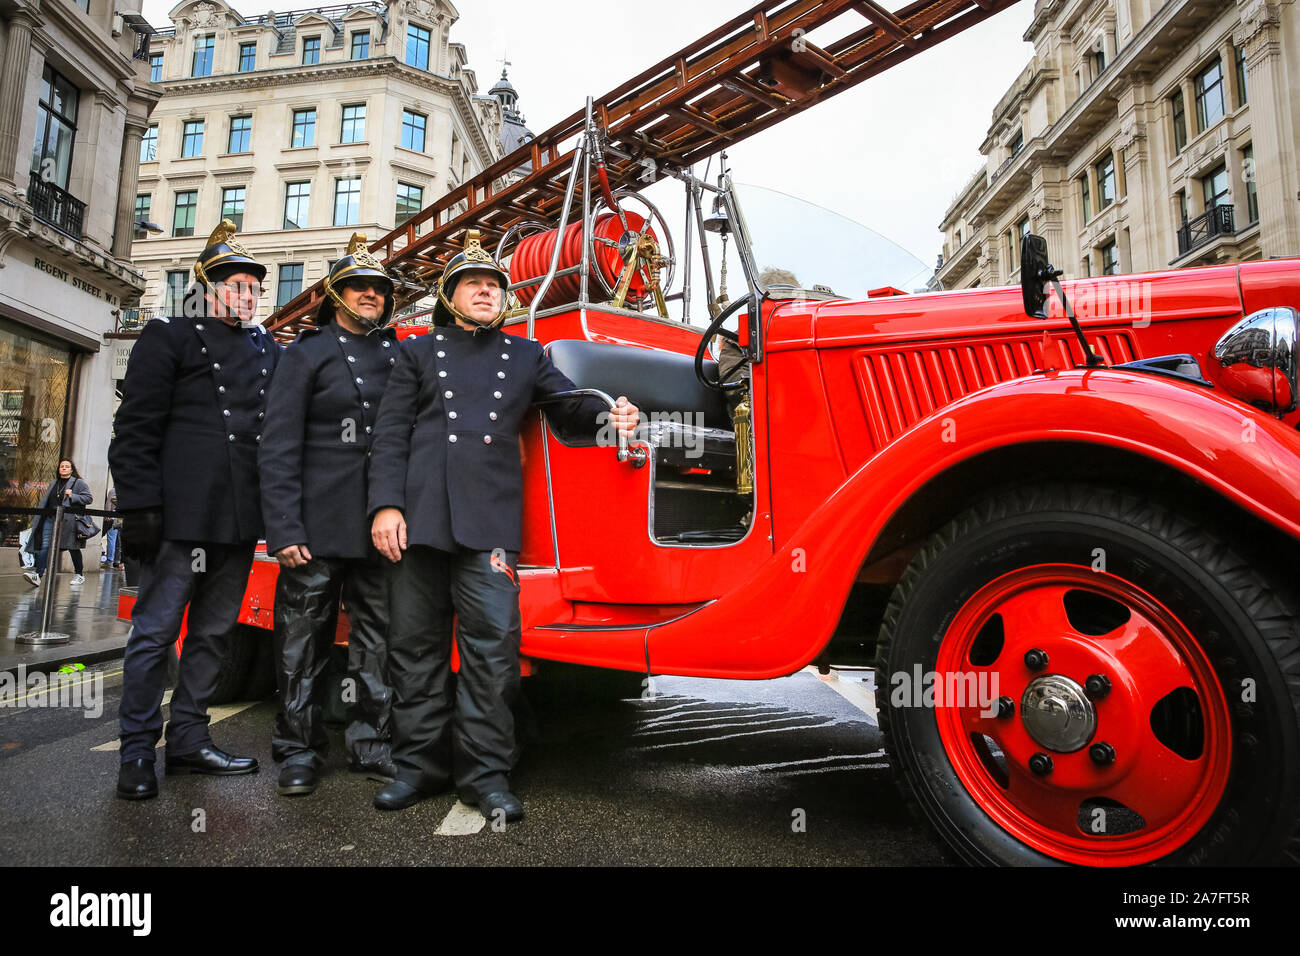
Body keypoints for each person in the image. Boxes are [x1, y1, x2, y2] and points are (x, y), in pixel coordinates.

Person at [367, 231, 640, 822]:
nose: (488, 292)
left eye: (495, 285)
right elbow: (388, 434)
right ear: (450, 296)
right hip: (419, 518)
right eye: (475, 285)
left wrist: (610, 412)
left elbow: (570, 403)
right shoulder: (416, 352)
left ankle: (486, 775)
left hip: (488, 525)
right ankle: (417, 767)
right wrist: (386, 506)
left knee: (492, 651)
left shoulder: (524, 355)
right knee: (414, 650)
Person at [108, 220, 281, 801]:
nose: (249, 294)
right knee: (155, 635)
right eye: (237, 284)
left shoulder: (267, 348)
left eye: (255, 286)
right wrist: (140, 507)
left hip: (236, 520)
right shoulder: (168, 336)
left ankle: (188, 741)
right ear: (207, 288)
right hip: (179, 518)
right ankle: (136, 752)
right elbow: (134, 429)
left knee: (211, 635)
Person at [260, 234, 400, 797]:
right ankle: (298, 749)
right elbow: (277, 444)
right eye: (360, 287)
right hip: (315, 526)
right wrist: (284, 527)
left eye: (380, 289)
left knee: (377, 641)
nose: (371, 295)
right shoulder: (305, 352)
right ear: (335, 296)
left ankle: (372, 744)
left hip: (380, 525)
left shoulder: (397, 354)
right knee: (301, 643)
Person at [23, 458, 93, 587]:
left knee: (73, 547)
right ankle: (38, 575)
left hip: (69, 520)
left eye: (67, 466)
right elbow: (47, 501)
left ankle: (79, 574)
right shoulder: (54, 483)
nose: (64, 468)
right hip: (50, 518)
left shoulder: (79, 483)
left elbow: (89, 498)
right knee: (45, 545)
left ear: (72, 470)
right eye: (62, 466)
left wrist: (73, 496)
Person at [102, 485, 122, 570]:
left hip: (113, 518)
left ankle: (109, 561)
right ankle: (117, 561)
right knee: (119, 541)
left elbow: (108, 504)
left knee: (111, 540)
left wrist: (107, 516)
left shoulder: (113, 490)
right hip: (121, 519)